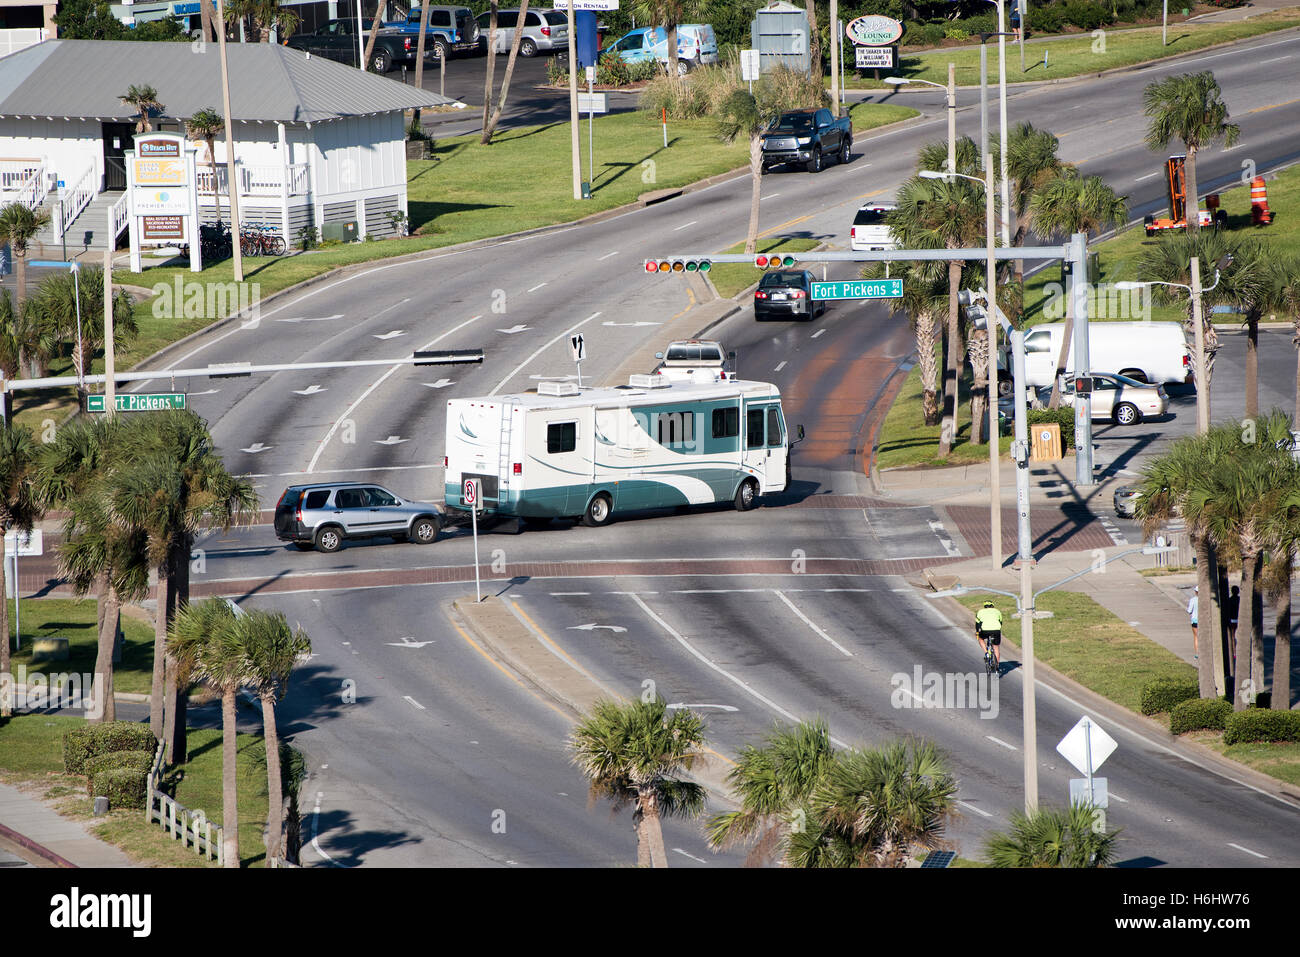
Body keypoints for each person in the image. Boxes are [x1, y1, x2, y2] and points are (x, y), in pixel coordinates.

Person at [975, 600, 1004, 672]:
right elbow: (1000, 622)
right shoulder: (997, 611)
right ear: (992, 605)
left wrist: (977, 632)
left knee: (980, 639)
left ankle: (986, 653)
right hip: (996, 630)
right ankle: (997, 666)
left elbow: (977, 624)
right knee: (996, 647)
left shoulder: (980, 611)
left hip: (985, 630)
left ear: (984, 606)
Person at [1225, 585, 1240, 663]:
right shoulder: (1240, 600)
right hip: (1238, 620)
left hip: (1232, 620)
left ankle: (1234, 652)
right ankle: (1236, 651)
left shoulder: (1230, 600)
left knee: (1232, 636)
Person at [1187, 586, 1198, 660]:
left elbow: (1189, 610)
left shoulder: (1193, 600)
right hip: (1204, 620)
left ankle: (1197, 654)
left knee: (1196, 637)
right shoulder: (1205, 600)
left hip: (1195, 620)